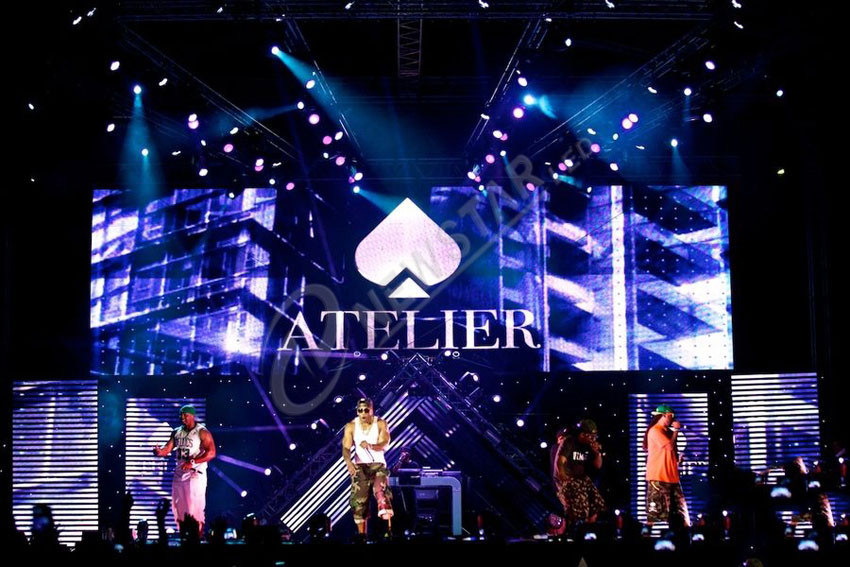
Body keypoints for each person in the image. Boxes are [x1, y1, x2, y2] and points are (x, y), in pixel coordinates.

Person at [152, 405, 216, 536]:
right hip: (179, 473)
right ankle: (183, 535)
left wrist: (193, 462)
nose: (182, 418)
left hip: (195, 474)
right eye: (181, 415)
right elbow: (167, 449)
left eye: (185, 415)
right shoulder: (176, 432)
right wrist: (159, 452)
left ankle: (197, 537)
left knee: (194, 508)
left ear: (192, 416)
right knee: (178, 508)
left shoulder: (202, 432)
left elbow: (211, 453)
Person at [342, 398, 393, 536]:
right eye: (360, 410)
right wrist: (348, 462)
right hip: (360, 466)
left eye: (366, 410)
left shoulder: (381, 423)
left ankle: (389, 532)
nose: (363, 413)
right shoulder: (351, 426)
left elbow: (385, 443)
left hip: (378, 465)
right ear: (357, 411)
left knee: (382, 495)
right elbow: (346, 447)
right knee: (359, 504)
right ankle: (361, 537)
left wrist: (371, 446)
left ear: (371, 410)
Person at [643, 404, 690, 528]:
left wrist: (677, 461)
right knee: (654, 513)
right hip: (658, 477)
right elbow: (668, 446)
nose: (673, 418)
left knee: (681, 510)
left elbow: (669, 452)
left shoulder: (668, 431)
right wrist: (676, 431)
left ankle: (685, 534)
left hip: (672, 477)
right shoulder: (655, 430)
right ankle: (645, 536)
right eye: (670, 416)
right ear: (663, 416)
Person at [553, 419, 606, 528]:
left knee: (596, 504)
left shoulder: (589, 445)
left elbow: (598, 466)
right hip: (567, 477)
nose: (593, 439)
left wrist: (597, 453)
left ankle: (589, 530)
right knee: (580, 508)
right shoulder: (569, 441)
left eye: (594, 436)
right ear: (582, 434)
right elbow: (560, 462)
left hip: (581, 478)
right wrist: (564, 480)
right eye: (591, 436)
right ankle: (575, 528)